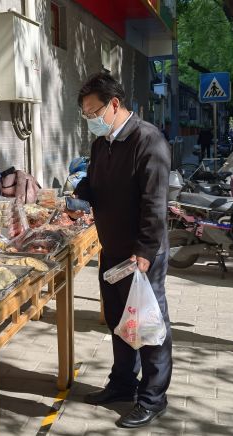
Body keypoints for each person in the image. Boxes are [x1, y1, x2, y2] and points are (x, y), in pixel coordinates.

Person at [71, 72, 172, 428]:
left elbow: (154, 203)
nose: (90, 120)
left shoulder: (148, 140)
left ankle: (153, 397)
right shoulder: (102, 144)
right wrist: (80, 193)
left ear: (115, 104)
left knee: (147, 324)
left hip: (141, 255)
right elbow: (97, 182)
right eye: (85, 114)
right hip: (112, 248)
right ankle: (122, 384)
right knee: (118, 321)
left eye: (93, 112)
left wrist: (144, 252)